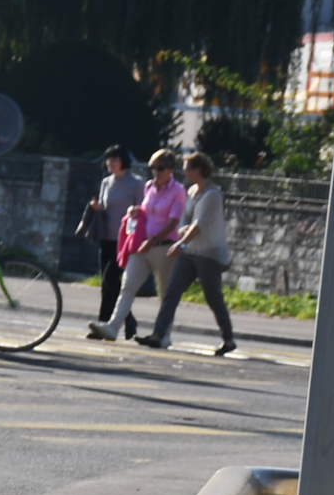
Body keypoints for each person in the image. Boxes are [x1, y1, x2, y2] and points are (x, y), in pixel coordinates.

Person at [141, 152, 237, 355]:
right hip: (190, 251)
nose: (183, 172)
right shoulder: (191, 191)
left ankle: (228, 339)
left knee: (213, 297)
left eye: (187, 168)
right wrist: (183, 238)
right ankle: (157, 335)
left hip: (209, 253)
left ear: (198, 170)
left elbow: (198, 226)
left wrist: (180, 243)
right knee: (172, 292)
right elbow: (185, 222)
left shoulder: (212, 195)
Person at [85, 149, 187, 341]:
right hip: (142, 245)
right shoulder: (149, 186)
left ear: (171, 169)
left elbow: (174, 221)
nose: (156, 172)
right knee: (127, 286)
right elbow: (148, 211)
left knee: (165, 294)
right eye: (153, 168)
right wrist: (137, 210)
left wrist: (155, 240)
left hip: (163, 246)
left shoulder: (178, 191)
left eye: (161, 168)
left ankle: (164, 335)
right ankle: (113, 327)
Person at [83, 145, 146, 341]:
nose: (111, 163)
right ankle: (112, 322)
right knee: (106, 283)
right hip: (106, 236)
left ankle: (121, 320)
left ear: (123, 161)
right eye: (109, 159)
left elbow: (142, 210)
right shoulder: (106, 182)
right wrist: (96, 207)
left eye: (115, 159)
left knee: (111, 279)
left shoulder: (136, 183)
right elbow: (105, 206)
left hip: (125, 239)